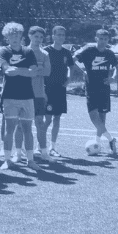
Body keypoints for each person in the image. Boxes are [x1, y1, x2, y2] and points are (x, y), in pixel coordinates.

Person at [0, 22, 41, 172]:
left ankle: (30, 160)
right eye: (11, 35)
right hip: (10, 96)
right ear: (7, 37)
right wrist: (25, 70)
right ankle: (8, 160)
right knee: (10, 129)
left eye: (17, 35)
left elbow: (34, 72)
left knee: (28, 129)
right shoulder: (4, 51)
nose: (14, 37)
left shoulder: (28, 52)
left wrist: (19, 70)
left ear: (21, 36)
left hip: (27, 96)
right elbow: (7, 70)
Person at [74, 29, 118, 155]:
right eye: (101, 38)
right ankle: (111, 139)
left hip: (104, 88)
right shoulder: (88, 51)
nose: (103, 41)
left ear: (108, 40)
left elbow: (117, 67)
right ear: (96, 39)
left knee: (102, 118)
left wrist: (113, 77)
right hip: (91, 87)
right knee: (93, 116)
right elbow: (72, 60)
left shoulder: (109, 53)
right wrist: (83, 72)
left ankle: (97, 143)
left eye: (105, 39)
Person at [45, 25, 75, 157]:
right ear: (53, 36)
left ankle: (53, 147)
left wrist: (69, 79)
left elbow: (71, 66)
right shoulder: (46, 51)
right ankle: (40, 146)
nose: (61, 37)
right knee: (47, 119)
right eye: (58, 35)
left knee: (57, 118)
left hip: (60, 89)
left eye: (63, 35)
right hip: (47, 89)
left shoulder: (66, 52)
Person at [27, 27, 52, 159]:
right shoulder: (23, 51)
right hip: (24, 93)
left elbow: (47, 72)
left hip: (39, 94)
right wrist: (37, 70)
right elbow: (22, 71)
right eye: (36, 36)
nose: (38, 39)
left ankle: (43, 152)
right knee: (22, 125)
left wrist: (32, 71)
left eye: (41, 37)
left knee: (39, 123)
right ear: (30, 36)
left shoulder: (44, 54)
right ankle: (20, 152)